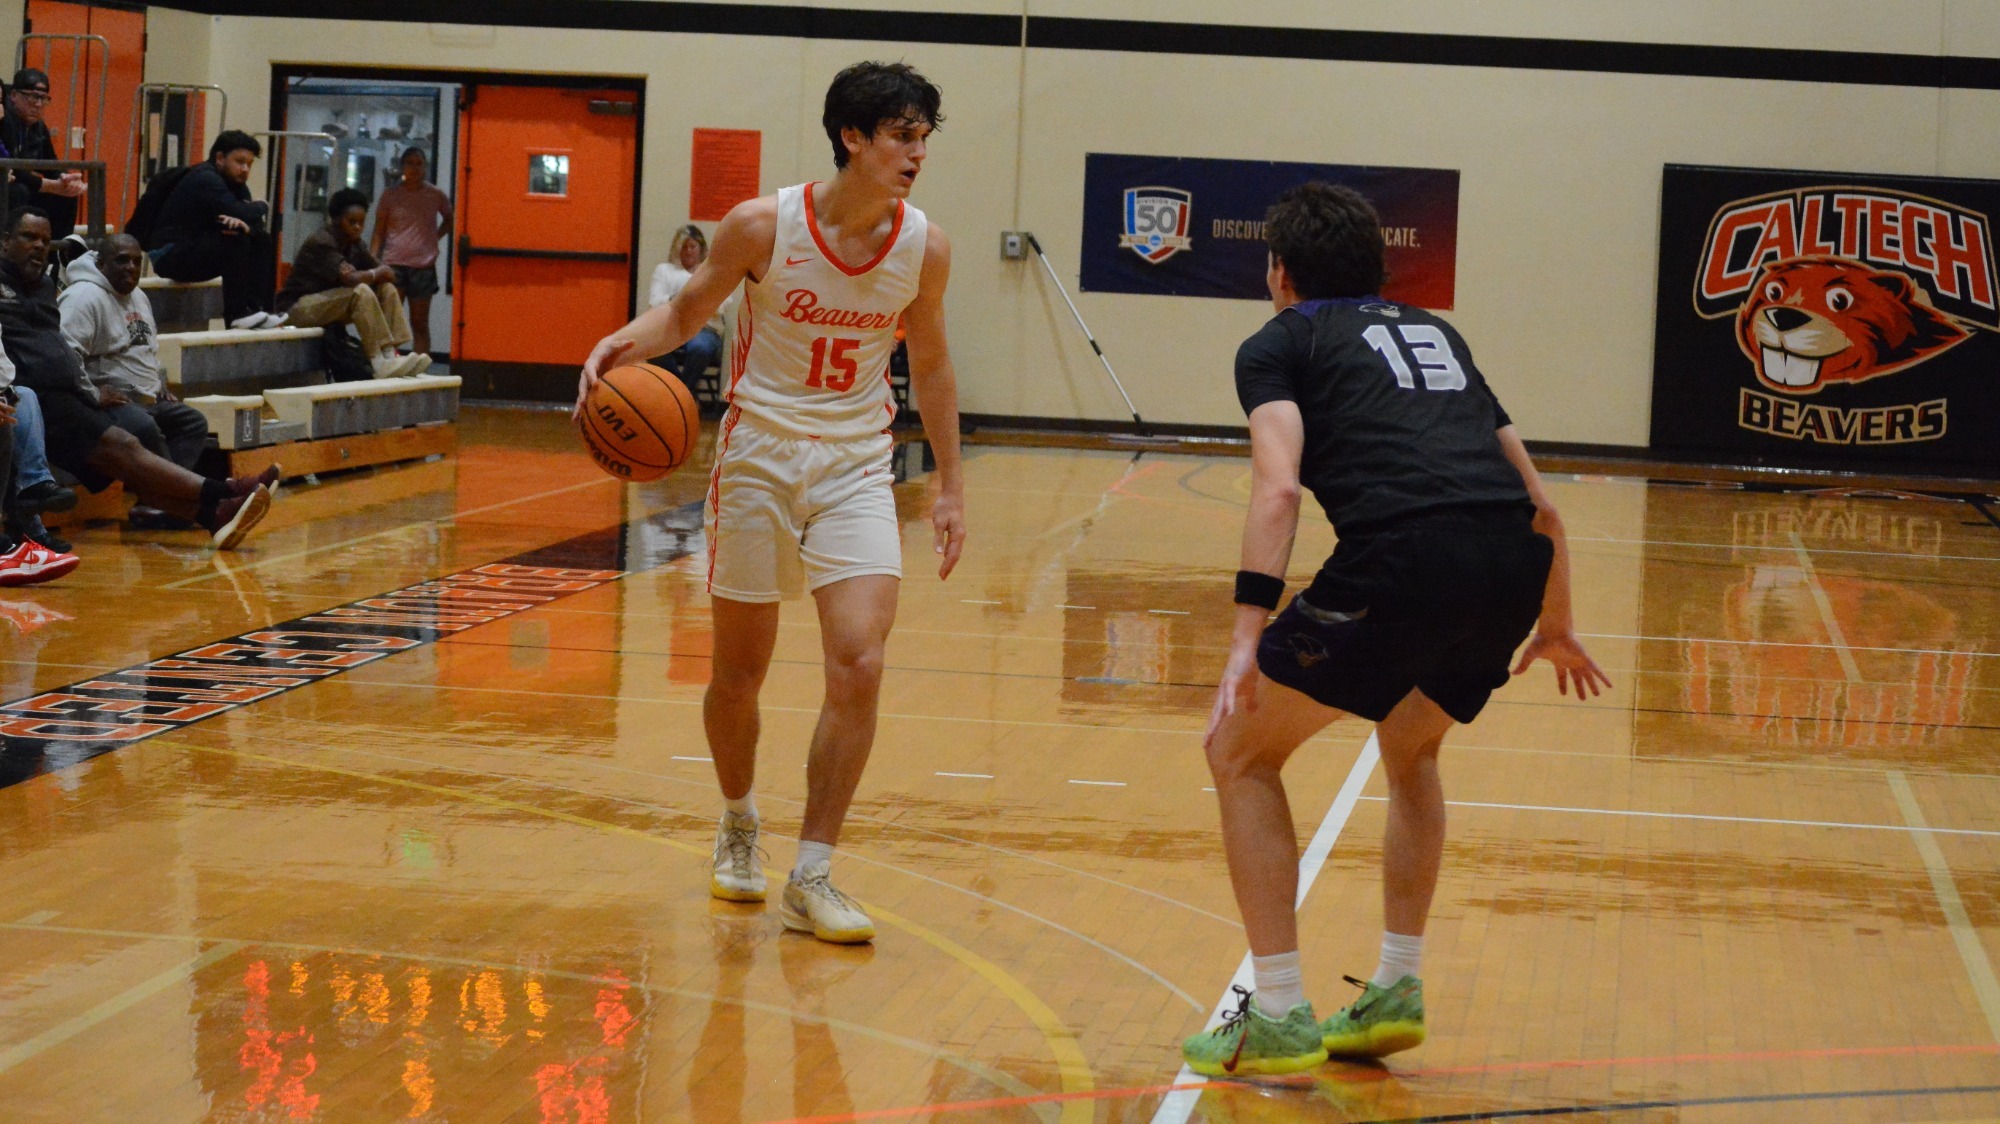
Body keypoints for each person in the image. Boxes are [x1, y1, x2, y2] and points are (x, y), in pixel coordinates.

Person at [1178, 182, 1612, 1076]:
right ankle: (1396, 987)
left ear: (1280, 273)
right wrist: (1556, 621)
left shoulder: (1280, 342)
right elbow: (1541, 504)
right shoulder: (1439, 336)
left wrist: (1244, 636)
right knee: (1412, 747)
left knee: (1238, 752)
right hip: (1509, 567)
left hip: (1405, 559)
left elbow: (1279, 489)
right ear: (1378, 269)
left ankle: (1279, 1011)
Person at [577, 61, 967, 944]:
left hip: (857, 464)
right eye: (901, 135)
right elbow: (684, 318)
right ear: (852, 138)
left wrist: (950, 484)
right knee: (738, 676)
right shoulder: (762, 225)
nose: (917, 153)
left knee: (860, 661)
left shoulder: (926, 247)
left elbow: (933, 363)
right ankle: (739, 817)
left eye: (923, 137)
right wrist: (616, 347)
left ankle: (814, 872)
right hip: (758, 458)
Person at [0, 209, 275, 548]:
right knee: (127, 445)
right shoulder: (73, 295)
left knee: (130, 450)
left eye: (44, 240)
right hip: (32, 397)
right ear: (5, 243)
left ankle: (212, 514)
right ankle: (224, 491)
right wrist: (92, 391)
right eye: (29, 237)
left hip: (66, 395)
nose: (39, 246)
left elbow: (64, 349)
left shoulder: (43, 286)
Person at [62, 233, 217, 529]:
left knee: (191, 422)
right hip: (106, 402)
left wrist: (160, 384)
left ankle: (155, 505)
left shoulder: (139, 296)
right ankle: (183, 503)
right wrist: (92, 393)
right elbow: (65, 355)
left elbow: (146, 349)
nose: (131, 267)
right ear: (101, 263)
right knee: (145, 427)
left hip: (145, 396)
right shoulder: (83, 298)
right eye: (122, 260)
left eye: (136, 261)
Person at [281, 189, 429, 380]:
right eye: (351, 222)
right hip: (296, 308)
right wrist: (372, 274)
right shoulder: (321, 242)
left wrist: (368, 274)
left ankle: (391, 353)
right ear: (336, 219)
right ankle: (378, 361)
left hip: (326, 305)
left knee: (386, 289)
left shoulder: (355, 243)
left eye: (361, 222)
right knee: (360, 292)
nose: (357, 227)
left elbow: (388, 275)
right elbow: (354, 280)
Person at [148, 131, 281, 330]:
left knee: (262, 240)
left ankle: (256, 310)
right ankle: (236, 315)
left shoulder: (237, 185)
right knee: (235, 240)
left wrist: (245, 225)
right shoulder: (205, 177)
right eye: (240, 162)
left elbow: (252, 222)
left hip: (197, 247)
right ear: (220, 158)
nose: (245, 169)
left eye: (249, 164)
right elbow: (240, 212)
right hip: (169, 255)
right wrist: (262, 205)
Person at [369, 146, 452, 357]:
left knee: (419, 322)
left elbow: (450, 219)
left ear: (425, 167)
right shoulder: (390, 195)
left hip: (423, 266)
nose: (415, 168)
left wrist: (434, 237)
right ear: (402, 167)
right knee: (389, 321)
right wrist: (372, 261)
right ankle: (387, 364)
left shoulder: (436, 195)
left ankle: (420, 367)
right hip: (393, 265)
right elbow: (378, 231)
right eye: (410, 163)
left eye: (419, 163)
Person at [0, 69, 83, 238]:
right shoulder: (4, 121)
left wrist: (64, 178)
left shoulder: (39, 127)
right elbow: (10, 167)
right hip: (12, 187)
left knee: (66, 195)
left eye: (43, 99)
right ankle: (10, 246)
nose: (38, 104)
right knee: (17, 191)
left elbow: (50, 162)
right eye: (32, 97)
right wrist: (49, 185)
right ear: (13, 95)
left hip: (26, 185)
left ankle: (56, 250)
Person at [647, 224, 724, 382]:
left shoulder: (711, 272)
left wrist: (694, 301)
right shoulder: (663, 270)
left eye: (692, 246)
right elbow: (654, 302)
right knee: (652, 348)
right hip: (670, 326)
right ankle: (679, 388)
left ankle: (683, 391)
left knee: (700, 348)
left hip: (704, 328)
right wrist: (679, 299)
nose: (688, 251)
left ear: (701, 248)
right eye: (683, 247)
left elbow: (721, 305)